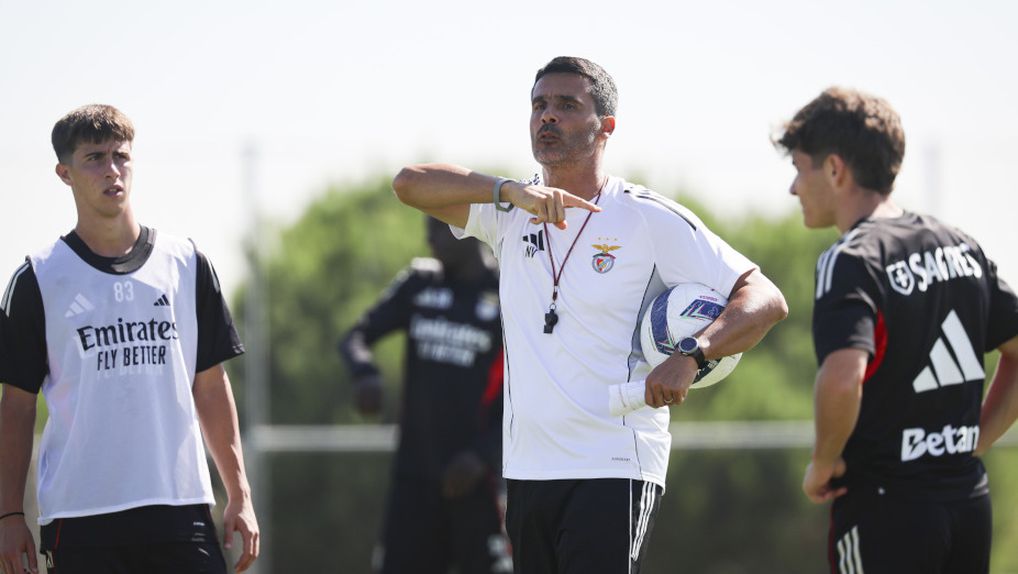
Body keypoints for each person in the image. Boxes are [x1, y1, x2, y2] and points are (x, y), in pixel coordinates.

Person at [391, 56, 788, 574]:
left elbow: (764, 298)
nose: (547, 117)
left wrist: (693, 354)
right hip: (529, 469)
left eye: (566, 105)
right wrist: (507, 191)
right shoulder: (508, 212)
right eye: (539, 105)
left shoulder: (646, 216)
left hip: (615, 462)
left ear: (606, 127)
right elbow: (408, 184)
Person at [0, 104, 259, 574]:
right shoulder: (39, 277)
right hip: (81, 518)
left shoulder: (185, 264)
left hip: (180, 506)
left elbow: (210, 384)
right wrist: (9, 514)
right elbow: (15, 406)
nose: (112, 170)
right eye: (94, 158)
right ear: (65, 173)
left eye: (121, 156)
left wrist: (240, 494)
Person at [775, 87, 1018, 574]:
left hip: (885, 508)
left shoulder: (851, 259)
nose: (794, 188)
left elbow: (843, 379)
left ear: (835, 170)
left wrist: (822, 464)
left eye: (800, 169)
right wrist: (977, 442)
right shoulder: (959, 244)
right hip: (968, 502)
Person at [339, 216, 512, 574]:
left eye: (440, 228)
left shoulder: (508, 289)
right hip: (414, 477)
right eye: (427, 229)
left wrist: (482, 455)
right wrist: (364, 372)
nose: (430, 240)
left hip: (477, 480)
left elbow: (530, 391)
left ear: (468, 226)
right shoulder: (419, 283)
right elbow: (355, 337)